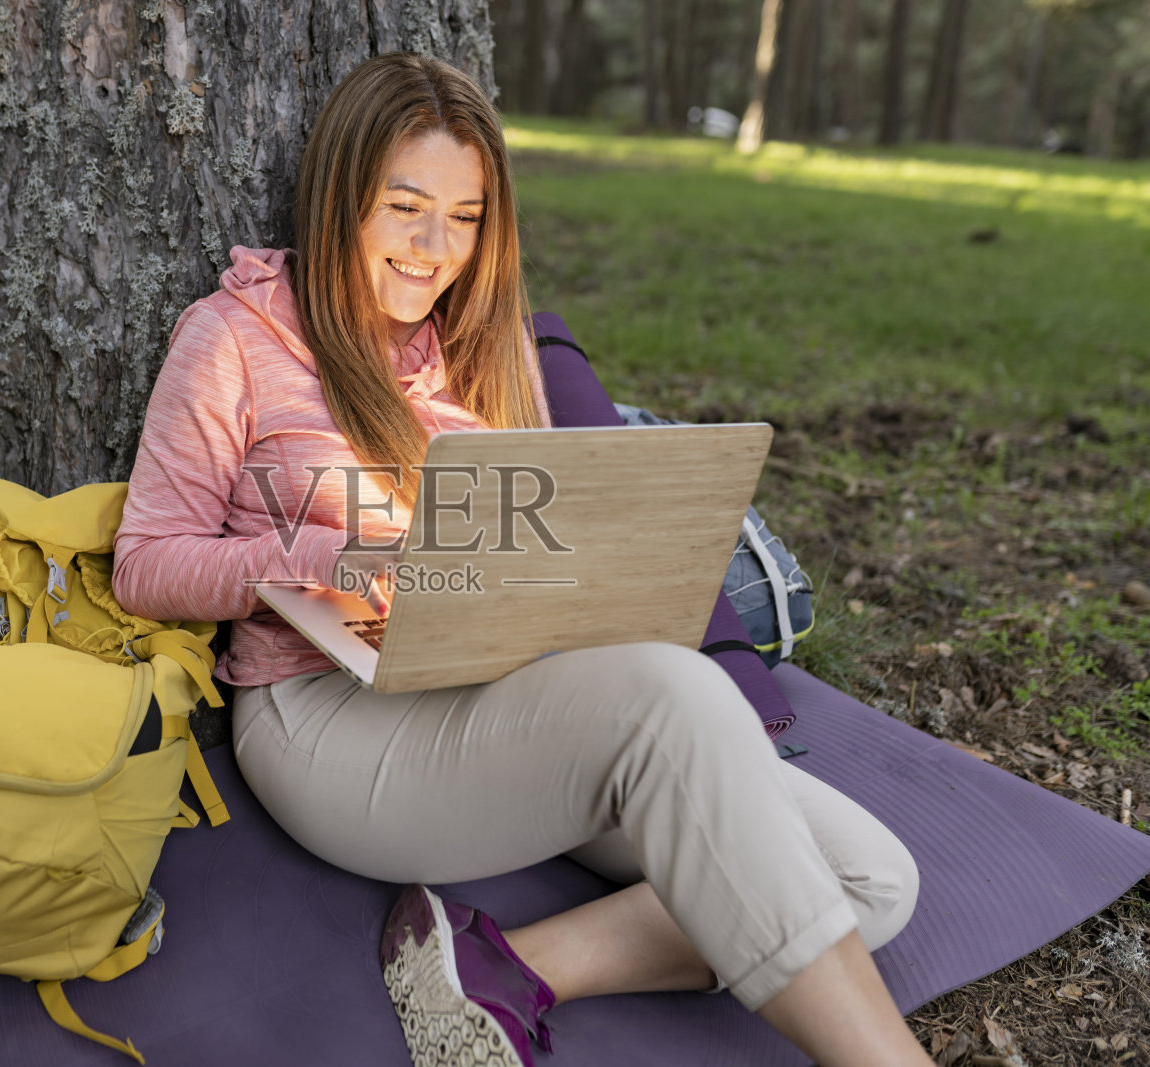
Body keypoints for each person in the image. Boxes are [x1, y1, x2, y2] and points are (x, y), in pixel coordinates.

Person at [113, 51, 929, 1067]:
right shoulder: (235, 336)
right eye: (404, 208)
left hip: (501, 689)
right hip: (328, 715)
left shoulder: (480, 347)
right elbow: (147, 561)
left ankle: (502, 962)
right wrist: (328, 553)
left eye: (464, 218)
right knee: (674, 698)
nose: (433, 250)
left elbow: (536, 547)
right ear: (338, 196)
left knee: (872, 878)